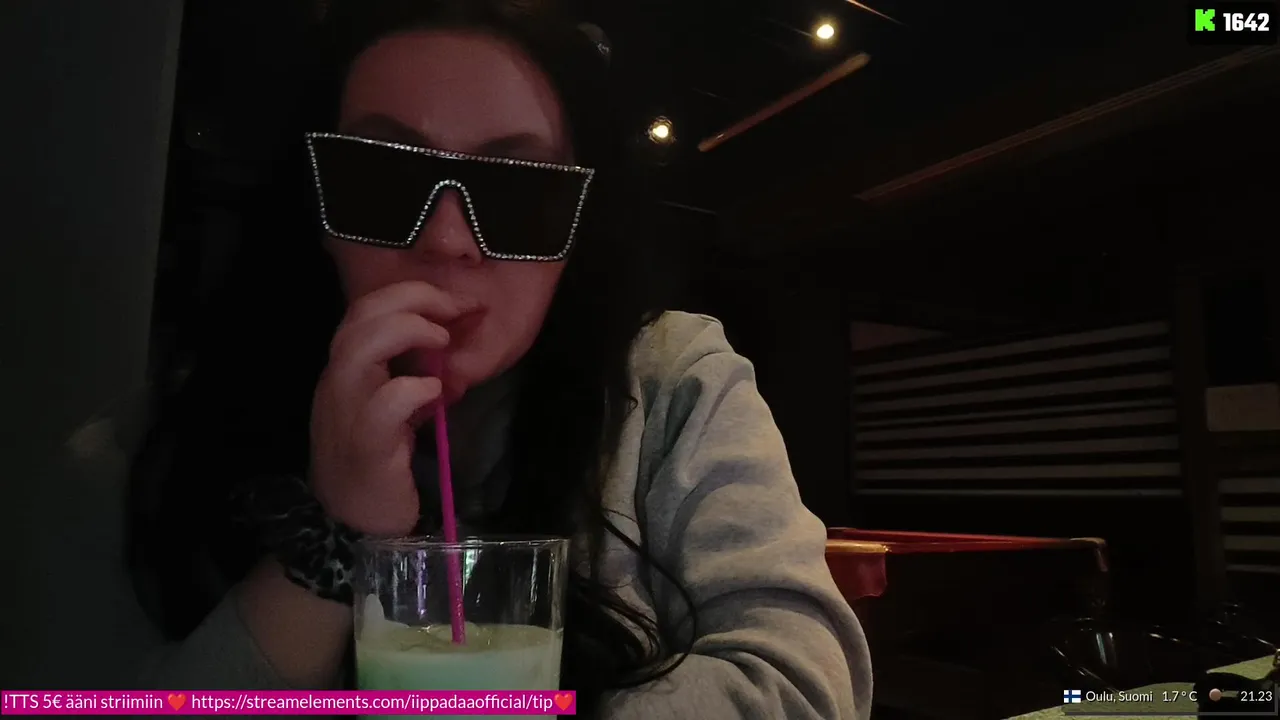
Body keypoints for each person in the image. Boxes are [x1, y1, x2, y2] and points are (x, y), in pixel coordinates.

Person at [127, 1, 873, 717]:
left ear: (575, 233)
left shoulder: (673, 380)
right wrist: (332, 531)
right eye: (382, 179)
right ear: (319, 214)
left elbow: (806, 685)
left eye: (518, 191)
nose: (448, 241)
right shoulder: (181, 429)